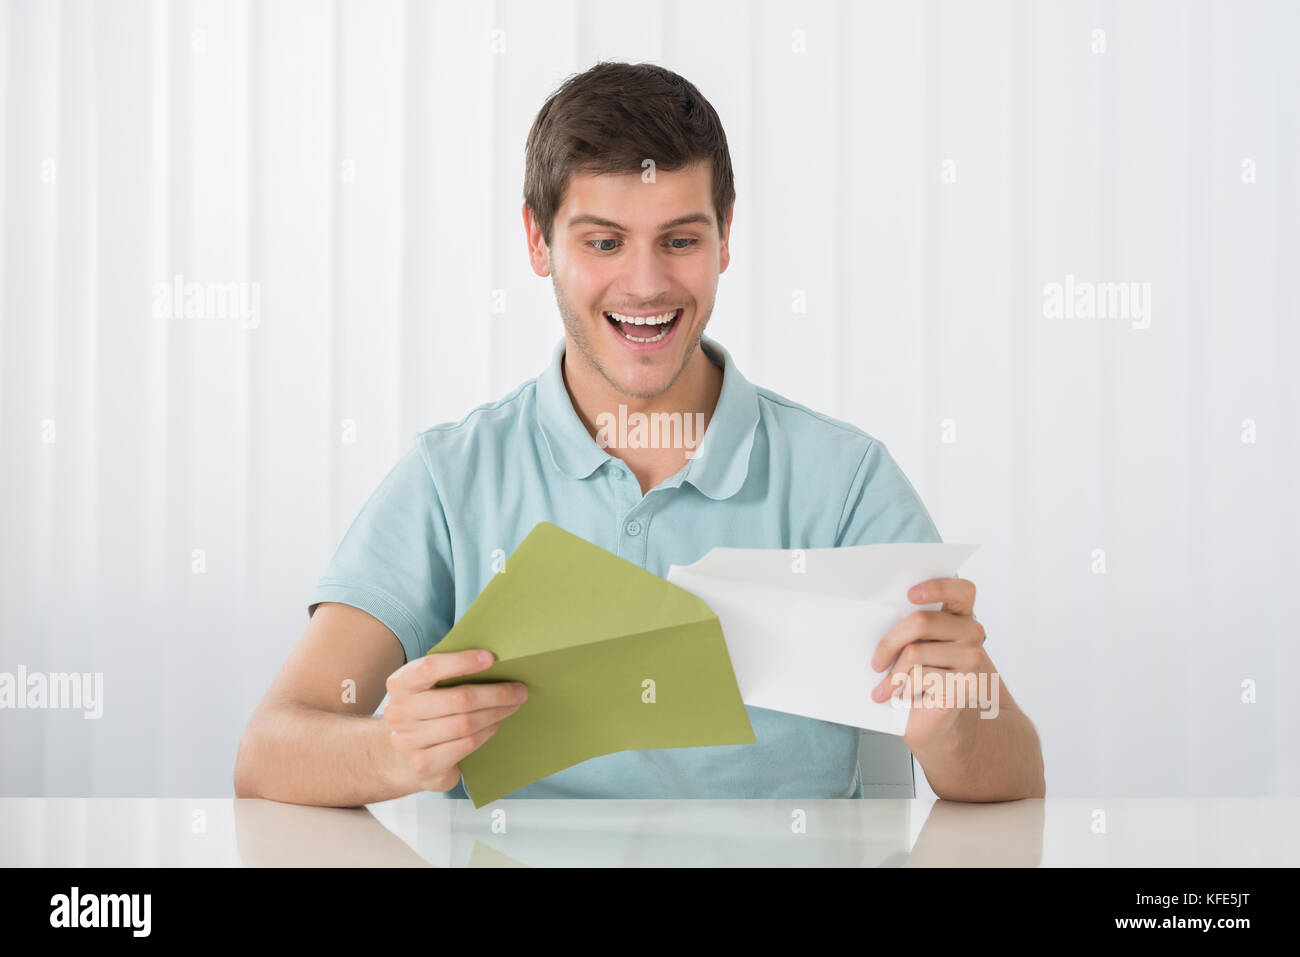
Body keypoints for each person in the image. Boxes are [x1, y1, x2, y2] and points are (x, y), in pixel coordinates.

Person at [234, 61, 1045, 807]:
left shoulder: (845, 480)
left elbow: (1016, 775)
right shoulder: (453, 478)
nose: (648, 283)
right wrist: (390, 752)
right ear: (536, 240)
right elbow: (268, 751)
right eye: (603, 242)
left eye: (680, 240)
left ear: (726, 237)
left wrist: (954, 724)